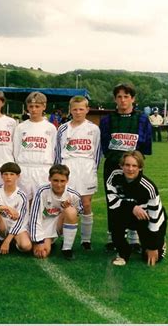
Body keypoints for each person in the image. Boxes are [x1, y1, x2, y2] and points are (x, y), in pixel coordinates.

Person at [99, 83, 152, 252]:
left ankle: (133, 237)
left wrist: (135, 163)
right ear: (115, 99)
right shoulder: (107, 120)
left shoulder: (142, 119)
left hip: (134, 167)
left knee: (135, 199)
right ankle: (113, 237)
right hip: (113, 166)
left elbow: (145, 146)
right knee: (113, 200)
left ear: (133, 99)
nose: (123, 100)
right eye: (119, 97)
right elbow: (105, 146)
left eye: (126, 96)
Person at [106, 151, 168, 266]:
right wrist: (132, 207)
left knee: (151, 258)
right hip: (127, 214)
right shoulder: (114, 177)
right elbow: (113, 204)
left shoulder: (148, 187)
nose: (130, 169)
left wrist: (153, 246)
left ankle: (161, 243)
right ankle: (124, 252)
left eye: (134, 166)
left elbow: (156, 218)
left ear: (140, 168)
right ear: (121, 166)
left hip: (148, 219)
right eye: (127, 165)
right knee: (116, 218)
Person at [56, 96, 100, 250]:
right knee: (66, 204)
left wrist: (93, 170)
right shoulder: (63, 128)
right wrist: (60, 173)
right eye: (75, 109)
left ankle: (86, 240)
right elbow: (58, 152)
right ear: (70, 110)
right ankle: (64, 239)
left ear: (87, 110)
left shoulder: (94, 129)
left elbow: (97, 153)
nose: (78, 112)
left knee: (86, 204)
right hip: (68, 168)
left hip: (86, 169)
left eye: (81, 109)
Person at [29, 164, 83, 260]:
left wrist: (67, 208)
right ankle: (48, 240)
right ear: (49, 179)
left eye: (62, 181)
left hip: (59, 224)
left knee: (71, 211)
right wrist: (39, 241)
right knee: (42, 254)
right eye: (55, 180)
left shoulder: (73, 195)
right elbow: (34, 217)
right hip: (44, 225)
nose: (59, 184)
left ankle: (67, 248)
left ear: (67, 180)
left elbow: (80, 212)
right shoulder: (42, 192)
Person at [13, 92, 57, 201]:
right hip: (25, 168)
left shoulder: (50, 128)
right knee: (24, 201)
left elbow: (53, 150)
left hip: (43, 169)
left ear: (44, 106)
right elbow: (16, 149)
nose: (34, 110)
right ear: (27, 107)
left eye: (37, 106)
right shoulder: (21, 127)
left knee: (41, 202)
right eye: (31, 106)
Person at [0, 162, 32, 255]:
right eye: (5, 174)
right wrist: (7, 208)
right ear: (1, 176)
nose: (8, 177)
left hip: (15, 226)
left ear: (18, 176)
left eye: (12, 174)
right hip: (1, 225)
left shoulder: (22, 196)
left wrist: (7, 241)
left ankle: (10, 241)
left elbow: (20, 221)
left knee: (26, 246)